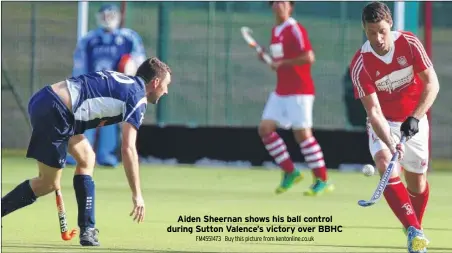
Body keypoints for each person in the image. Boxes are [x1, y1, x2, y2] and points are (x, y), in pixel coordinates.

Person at [1, 57, 172, 246]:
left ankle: (87, 230)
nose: (166, 91)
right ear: (155, 83)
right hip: (57, 111)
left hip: (49, 101)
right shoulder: (138, 97)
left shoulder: (127, 82)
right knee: (47, 183)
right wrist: (137, 194)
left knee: (87, 158)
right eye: (165, 85)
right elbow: (128, 148)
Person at [349, 2, 439, 252]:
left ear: (390, 25)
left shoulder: (409, 44)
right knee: (383, 162)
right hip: (384, 122)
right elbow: (374, 112)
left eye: (381, 31)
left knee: (417, 185)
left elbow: (432, 84)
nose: (377, 38)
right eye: (370, 32)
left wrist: (415, 117)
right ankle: (413, 231)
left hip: (415, 118)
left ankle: (414, 226)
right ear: (364, 30)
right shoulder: (360, 64)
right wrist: (390, 143)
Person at [257, 1, 333, 196]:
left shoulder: (295, 29)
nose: (279, 5)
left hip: (300, 90)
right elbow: (280, 60)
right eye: (275, 2)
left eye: (283, 2)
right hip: (281, 90)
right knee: (265, 129)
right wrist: (270, 60)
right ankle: (290, 171)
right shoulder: (276, 31)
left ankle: (322, 179)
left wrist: (282, 62)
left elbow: (309, 56)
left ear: (290, 7)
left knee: (303, 135)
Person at [68, 3, 147, 167]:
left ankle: (107, 156)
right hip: (91, 88)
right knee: (84, 122)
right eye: (104, 16)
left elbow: (139, 60)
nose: (107, 19)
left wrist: (130, 70)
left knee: (109, 123)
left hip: (116, 90)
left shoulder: (129, 38)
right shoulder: (89, 39)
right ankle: (79, 155)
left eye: (111, 16)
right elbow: (80, 64)